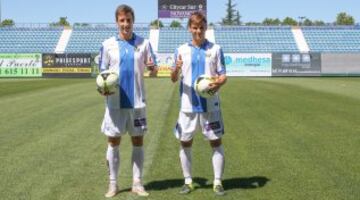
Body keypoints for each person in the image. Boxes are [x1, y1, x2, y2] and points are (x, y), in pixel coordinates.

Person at [98, 4, 157, 198]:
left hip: (137, 103)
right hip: (115, 103)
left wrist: (152, 69)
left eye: (129, 20)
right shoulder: (107, 45)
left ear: (133, 21)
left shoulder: (144, 43)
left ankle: (137, 183)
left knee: (138, 141)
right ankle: (113, 184)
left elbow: (153, 70)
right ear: (117, 22)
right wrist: (102, 88)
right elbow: (102, 74)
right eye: (122, 20)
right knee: (113, 141)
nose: (126, 24)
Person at [171, 11, 227, 196]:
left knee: (215, 141)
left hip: (210, 104)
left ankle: (217, 182)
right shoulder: (180, 50)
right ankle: (188, 181)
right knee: (185, 142)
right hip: (187, 106)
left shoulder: (216, 49)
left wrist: (218, 82)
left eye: (201, 28)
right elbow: (173, 78)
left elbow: (223, 75)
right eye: (194, 28)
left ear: (206, 28)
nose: (198, 31)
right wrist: (176, 69)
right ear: (189, 28)